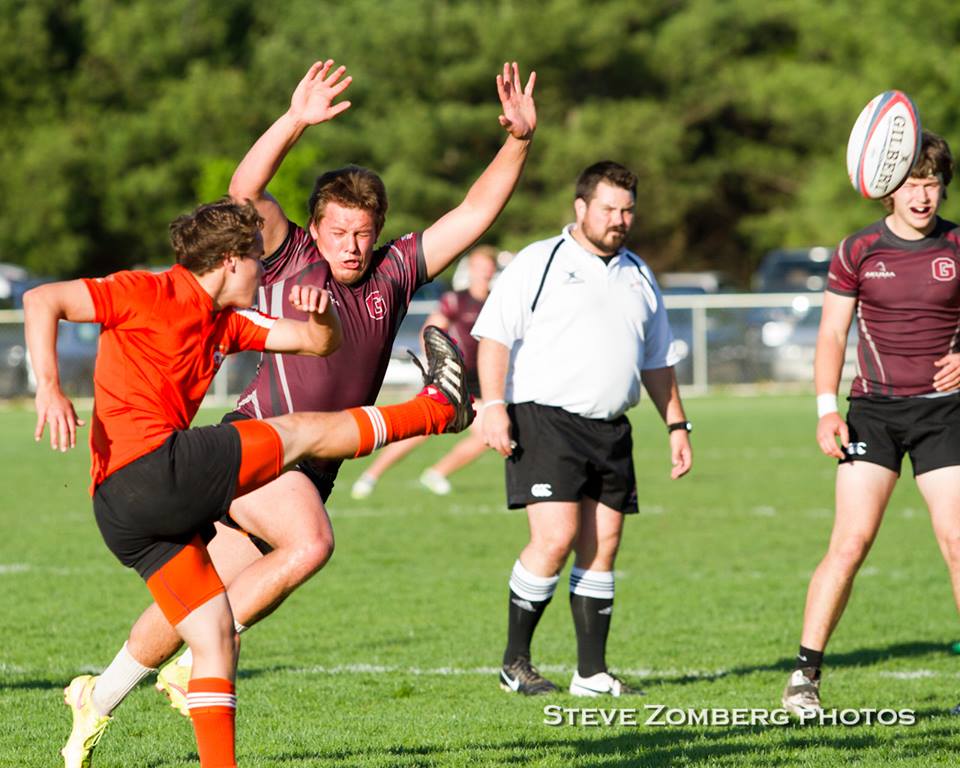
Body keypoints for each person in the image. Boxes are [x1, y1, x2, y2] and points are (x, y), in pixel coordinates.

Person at [63, 57, 536, 762]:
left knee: (184, 606)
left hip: (311, 471)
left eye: (363, 231)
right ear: (311, 229)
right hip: (258, 450)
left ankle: (95, 698)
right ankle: (201, 664)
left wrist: (518, 141)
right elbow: (243, 191)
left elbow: (472, 213)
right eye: (338, 230)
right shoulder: (287, 260)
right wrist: (294, 120)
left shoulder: (396, 272)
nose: (351, 244)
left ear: (378, 230)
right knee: (310, 545)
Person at [27, 198, 473, 767]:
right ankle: (437, 411)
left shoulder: (228, 322)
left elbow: (317, 344)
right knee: (296, 434)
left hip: (121, 512)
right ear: (232, 260)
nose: (267, 274)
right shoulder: (145, 290)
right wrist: (49, 385)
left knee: (213, 636)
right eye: (260, 262)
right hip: (150, 466)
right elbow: (42, 298)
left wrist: (322, 317)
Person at [472, 161, 693, 697]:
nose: (619, 219)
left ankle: (591, 674)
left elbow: (657, 360)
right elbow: (495, 337)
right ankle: (514, 663)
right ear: (581, 208)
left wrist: (677, 425)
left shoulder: (639, 273)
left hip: (611, 428)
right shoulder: (539, 261)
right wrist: (494, 405)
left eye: (627, 210)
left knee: (604, 546)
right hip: (544, 418)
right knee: (554, 539)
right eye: (608, 208)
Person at [781, 131, 960, 717]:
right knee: (850, 543)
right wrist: (824, 408)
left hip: (945, 415)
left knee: (958, 542)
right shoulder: (858, 249)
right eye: (912, 183)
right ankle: (804, 676)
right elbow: (832, 333)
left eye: (932, 183)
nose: (923, 195)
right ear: (888, 189)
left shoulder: (958, 244)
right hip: (874, 413)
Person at [351, 245, 499, 499]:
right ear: (471, 270)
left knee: (489, 434)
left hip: (481, 381)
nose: (484, 272)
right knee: (421, 428)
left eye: (488, 267)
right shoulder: (456, 300)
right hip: (452, 375)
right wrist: (437, 365)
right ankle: (370, 475)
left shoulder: (497, 301)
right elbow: (430, 330)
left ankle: (437, 473)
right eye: (479, 267)